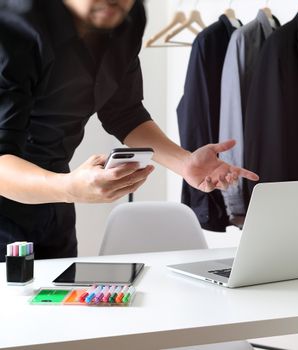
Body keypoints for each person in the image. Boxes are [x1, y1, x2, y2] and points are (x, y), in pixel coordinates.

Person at [0, 0, 259, 262]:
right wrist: (69, 188)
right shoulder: (10, 29)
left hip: (55, 204)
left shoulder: (124, 19)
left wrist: (185, 163)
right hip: (15, 199)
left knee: (57, 299)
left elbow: (125, 113)